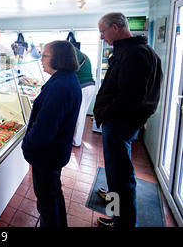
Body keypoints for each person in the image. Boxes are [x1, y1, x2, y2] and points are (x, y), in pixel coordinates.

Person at [93, 12, 163, 227]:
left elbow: (130, 97)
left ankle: (123, 223)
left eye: (103, 32)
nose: (102, 37)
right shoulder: (141, 50)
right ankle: (116, 212)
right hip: (125, 123)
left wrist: (105, 112)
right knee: (116, 174)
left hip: (119, 124)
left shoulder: (134, 54)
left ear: (115, 28)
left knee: (120, 178)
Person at [21, 40, 82, 227]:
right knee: (54, 194)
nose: (41, 59)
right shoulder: (67, 79)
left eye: (44, 55)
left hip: (47, 156)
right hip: (56, 153)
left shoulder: (59, 87)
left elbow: (44, 130)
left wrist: (27, 145)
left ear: (59, 59)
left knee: (47, 202)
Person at [72, 47, 95, 147]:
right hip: (90, 86)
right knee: (82, 114)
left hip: (83, 87)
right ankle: (76, 138)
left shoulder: (73, 56)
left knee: (79, 116)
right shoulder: (84, 56)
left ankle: (76, 141)